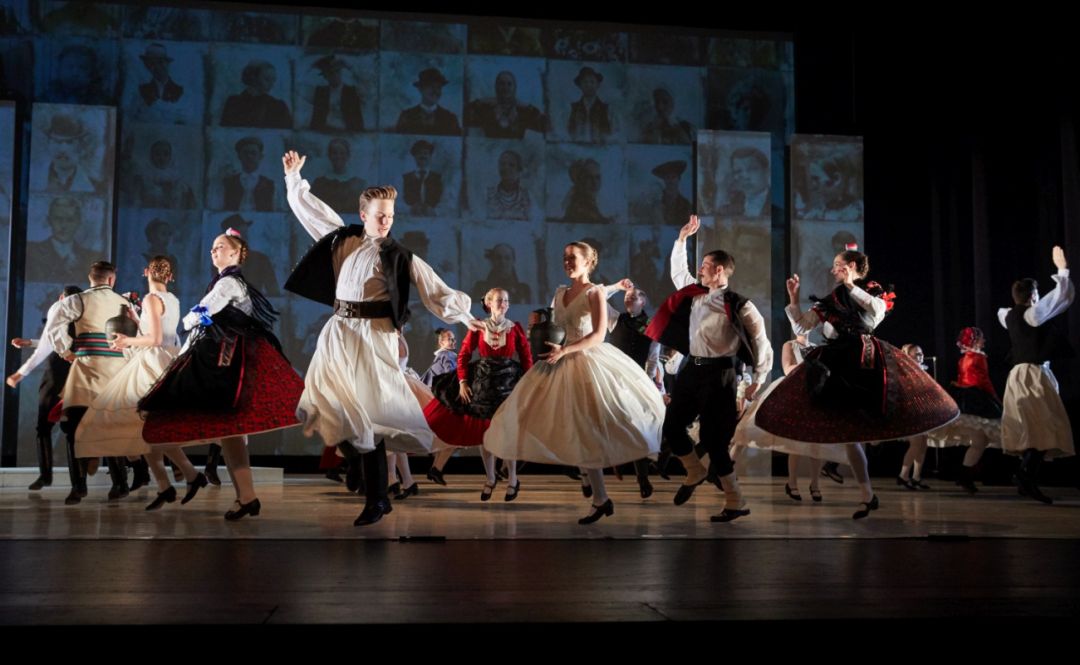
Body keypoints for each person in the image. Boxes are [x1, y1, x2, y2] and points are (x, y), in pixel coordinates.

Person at [283, 149, 481, 526]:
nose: (386, 221)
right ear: (363, 216)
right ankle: (359, 470)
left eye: (390, 215)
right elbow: (312, 212)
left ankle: (377, 497)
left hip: (375, 337)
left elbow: (433, 287)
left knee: (370, 417)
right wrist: (294, 179)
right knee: (322, 405)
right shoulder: (343, 240)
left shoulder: (398, 256)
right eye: (379, 215)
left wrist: (466, 317)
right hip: (340, 332)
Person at [753, 244, 958, 519]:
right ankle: (867, 496)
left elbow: (876, 312)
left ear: (850, 267)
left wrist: (851, 285)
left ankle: (867, 493)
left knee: (857, 434)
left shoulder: (872, 292)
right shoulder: (832, 298)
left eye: (837, 265)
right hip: (836, 362)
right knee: (851, 437)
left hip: (864, 361)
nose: (833, 270)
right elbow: (802, 326)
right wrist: (794, 297)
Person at [485, 242, 665, 523]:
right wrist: (542, 336)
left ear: (588, 262)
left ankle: (601, 495)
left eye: (573, 257)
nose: (567, 262)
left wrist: (565, 350)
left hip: (586, 361)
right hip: (559, 359)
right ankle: (598, 495)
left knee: (587, 428)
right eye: (564, 257)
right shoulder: (560, 293)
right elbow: (557, 327)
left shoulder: (595, 293)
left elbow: (598, 335)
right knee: (546, 419)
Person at [138, 231, 305, 520]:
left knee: (224, 429)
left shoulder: (228, 283)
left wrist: (190, 320)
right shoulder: (227, 281)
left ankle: (240, 493)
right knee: (231, 433)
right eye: (213, 247)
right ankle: (246, 496)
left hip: (226, 361)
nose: (214, 251)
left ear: (235, 254)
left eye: (220, 247)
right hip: (225, 357)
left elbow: (203, 311)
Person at [645, 216, 773, 522]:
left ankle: (736, 501)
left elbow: (760, 341)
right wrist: (681, 239)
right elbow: (679, 272)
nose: (699, 270)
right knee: (672, 427)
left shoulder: (740, 305)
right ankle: (694, 470)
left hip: (720, 376)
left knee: (715, 441)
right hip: (692, 370)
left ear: (718, 270)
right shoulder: (695, 295)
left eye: (704, 265)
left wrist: (758, 378)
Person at [74, 257, 207, 511]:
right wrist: (138, 322)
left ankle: (186, 476)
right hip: (167, 359)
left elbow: (155, 339)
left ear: (146, 272)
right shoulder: (172, 299)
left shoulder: (150, 299)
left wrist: (126, 341)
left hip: (152, 364)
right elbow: (162, 332)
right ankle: (169, 484)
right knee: (142, 429)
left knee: (145, 428)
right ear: (170, 277)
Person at [425, 289, 532, 501]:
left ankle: (512, 478)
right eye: (499, 300)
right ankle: (490, 477)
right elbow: (464, 355)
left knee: (507, 432)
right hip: (483, 382)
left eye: (506, 300)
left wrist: (528, 383)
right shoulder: (478, 327)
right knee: (484, 433)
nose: (503, 303)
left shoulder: (514, 328)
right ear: (489, 303)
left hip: (507, 382)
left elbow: (526, 356)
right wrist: (463, 382)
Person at [44, 261, 135, 504]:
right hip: (115, 372)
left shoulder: (78, 300)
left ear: (90, 278)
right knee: (111, 427)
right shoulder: (125, 303)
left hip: (86, 369)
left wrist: (66, 351)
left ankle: (79, 487)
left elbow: (53, 323)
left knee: (75, 429)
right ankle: (120, 484)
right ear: (111, 279)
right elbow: (135, 336)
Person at [997, 246, 1074, 504]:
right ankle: (1025, 476)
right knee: (1044, 428)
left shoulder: (1008, 316)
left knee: (1035, 429)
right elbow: (1061, 299)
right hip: (1032, 375)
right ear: (1032, 296)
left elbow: (1005, 314)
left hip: (1018, 375)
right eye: (1037, 295)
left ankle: (1026, 477)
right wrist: (1062, 270)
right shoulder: (1032, 314)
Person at [6, 285, 82, 490]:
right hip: (74, 376)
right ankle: (74, 483)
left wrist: (20, 374)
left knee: (48, 428)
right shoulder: (82, 317)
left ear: (61, 298)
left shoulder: (59, 309)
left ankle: (49, 476)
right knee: (69, 430)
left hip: (57, 376)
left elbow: (54, 341)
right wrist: (30, 342)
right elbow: (55, 339)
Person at [926, 327, 1003, 493]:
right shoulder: (978, 357)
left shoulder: (964, 358)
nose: (984, 341)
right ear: (974, 340)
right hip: (976, 399)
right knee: (980, 440)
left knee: (980, 440)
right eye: (981, 338)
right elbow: (984, 381)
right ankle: (965, 476)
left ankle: (965, 475)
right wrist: (996, 399)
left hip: (965, 398)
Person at [465, 70, 546, 138]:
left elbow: (543, 126)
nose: (505, 88)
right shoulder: (486, 109)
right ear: (496, 86)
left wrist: (527, 106)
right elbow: (465, 117)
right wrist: (483, 100)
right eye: (502, 84)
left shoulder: (523, 111)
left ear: (514, 87)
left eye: (509, 84)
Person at [220, 60, 292, 129]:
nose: (271, 84)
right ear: (253, 77)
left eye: (273, 80)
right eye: (267, 79)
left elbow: (287, 132)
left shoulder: (278, 106)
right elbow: (225, 130)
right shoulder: (233, 102)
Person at [394, 68, 461, 136]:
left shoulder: (450, 119)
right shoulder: (406, 116)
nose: (435, 91)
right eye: (431, 87)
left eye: (438, 87)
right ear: (420, 89)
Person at [309, 54, 363, 132]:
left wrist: (349, 67)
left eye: (336, 72)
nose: (334, 76)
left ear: (340, 73)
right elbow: (316, 117)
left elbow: (357, 119)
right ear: (325, 76)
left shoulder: (351, 92)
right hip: (324, 131)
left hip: (346, 132)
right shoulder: (320, 92)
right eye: (329, 73)